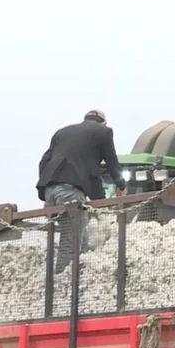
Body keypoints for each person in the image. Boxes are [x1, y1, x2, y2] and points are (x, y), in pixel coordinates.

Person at [36, 109, 128, 273]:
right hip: (71, 191)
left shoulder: (62, 133)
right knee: (70, 242)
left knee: (81, 234)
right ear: (104, 123)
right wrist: (121, 185)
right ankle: (60, 281)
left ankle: (82, 275)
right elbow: (111, 162)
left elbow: (43, 163)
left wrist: (46, 194)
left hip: (51, 189)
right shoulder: (104, 132)